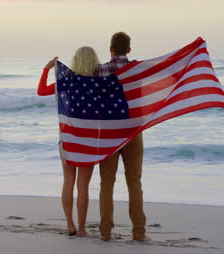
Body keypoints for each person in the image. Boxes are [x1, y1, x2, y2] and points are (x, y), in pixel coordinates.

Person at [37, 47, 100, 237]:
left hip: (67, 140)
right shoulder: (98, 85)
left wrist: (46, 69)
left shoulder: (65, 83)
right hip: (88, 141)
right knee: (83, 186)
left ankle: (70, 225)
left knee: (68, 182)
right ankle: (81, 229)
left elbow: (41, 91)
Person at [95, 32, 147, 241]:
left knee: (107, 183)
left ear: (110, 49)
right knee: (134, 181)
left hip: (109, 132)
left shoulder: (99, 71)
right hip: (133, 130)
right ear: (129, 50)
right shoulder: (138, 69)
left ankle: (105, 232)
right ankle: (139, 233)